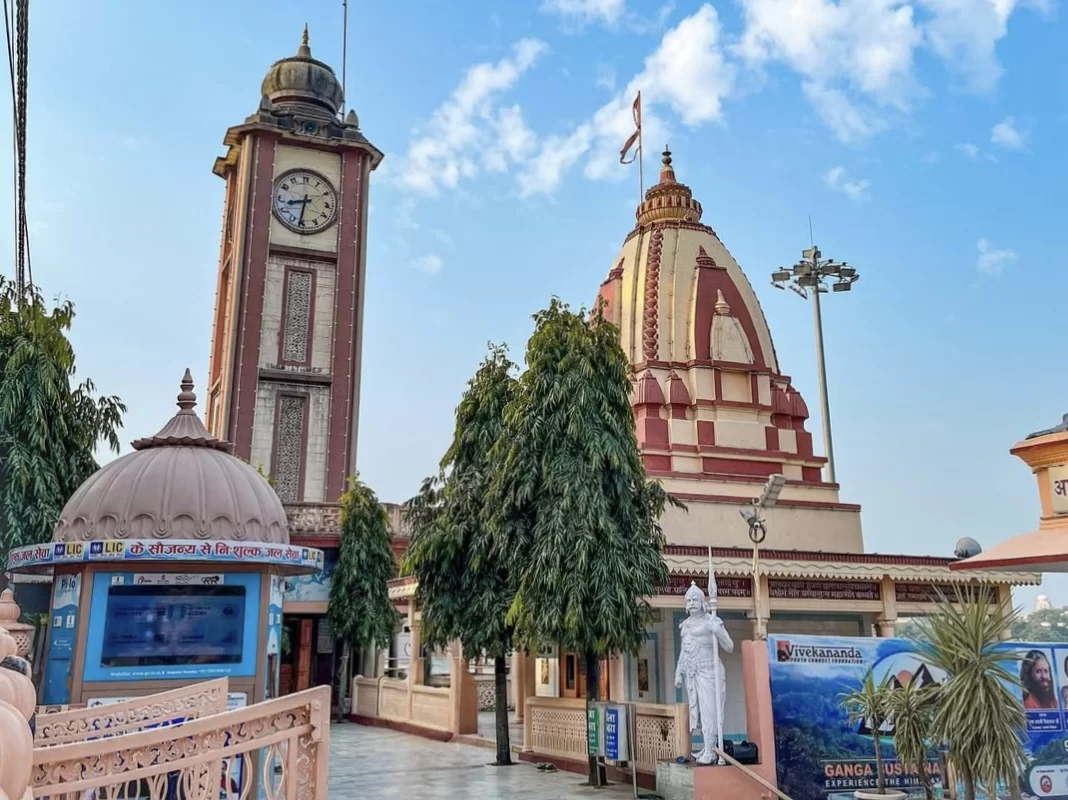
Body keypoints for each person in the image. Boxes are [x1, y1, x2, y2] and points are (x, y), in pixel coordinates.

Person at [675, 577, 734, 765]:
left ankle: (711, 750)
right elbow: (684, 651)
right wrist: (678, 672)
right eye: (689, 600)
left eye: (695, 600)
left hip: (710, 671)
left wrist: (718, 631)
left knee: (710, 712)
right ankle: (707, 747)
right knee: (698, 713)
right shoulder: (686, 624)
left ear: (702, 603)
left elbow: (729, 646)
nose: (691, 604)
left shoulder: (712, 621)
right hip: (692, 673)